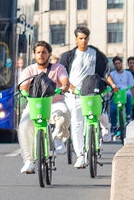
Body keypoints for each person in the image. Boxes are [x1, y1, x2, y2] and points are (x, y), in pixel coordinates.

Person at [15, 41, 70, 174]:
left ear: (49, 54)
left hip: (54, 102)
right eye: (38, 52)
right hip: (34, 103)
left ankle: (57, 139)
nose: (41, 55)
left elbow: (64, 79)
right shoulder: (29, 70)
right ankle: (29, 161)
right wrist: (23, 90)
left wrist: (64, 86)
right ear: (34, 55)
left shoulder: (58, 68)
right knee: (23, 125)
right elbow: (23, 85)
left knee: (64, 114)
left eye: (44, 52)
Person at [57, 26, 109, 166]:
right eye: (81, 38)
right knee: (77, 123)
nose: (83, 41)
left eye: (86, 38)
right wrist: (71, 88)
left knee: (98, 116)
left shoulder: (95, 54)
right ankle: (80, 155)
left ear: (88, 38)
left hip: (91, 92)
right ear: (76, 39)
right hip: (74, 95)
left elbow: (103, 72)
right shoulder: (68, 56)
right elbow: (62, 74)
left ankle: (101, 136)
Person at [107, 61, 134, 141]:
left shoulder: (128, 74)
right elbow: (109, 84)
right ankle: (113, 126)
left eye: (119, 63)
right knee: (112, 109)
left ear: (121, 64)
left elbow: (131, 87)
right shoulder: (112, 74)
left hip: (125, 93)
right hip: (116, 95)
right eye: (116, 64)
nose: (117, 65)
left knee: (128, 98)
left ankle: (128, 116)